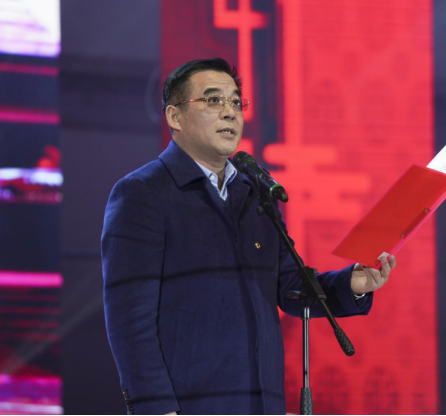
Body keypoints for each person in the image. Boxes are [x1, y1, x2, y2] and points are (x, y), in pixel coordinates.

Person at [101, 58, 396, 415]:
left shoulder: (254, 193)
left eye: (236, 102)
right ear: (175, 116)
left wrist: (353, 284)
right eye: (213, 100)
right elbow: (129, 321)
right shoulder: (144, 193)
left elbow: (291, 288)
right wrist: (156, 408)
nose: (230, 112)